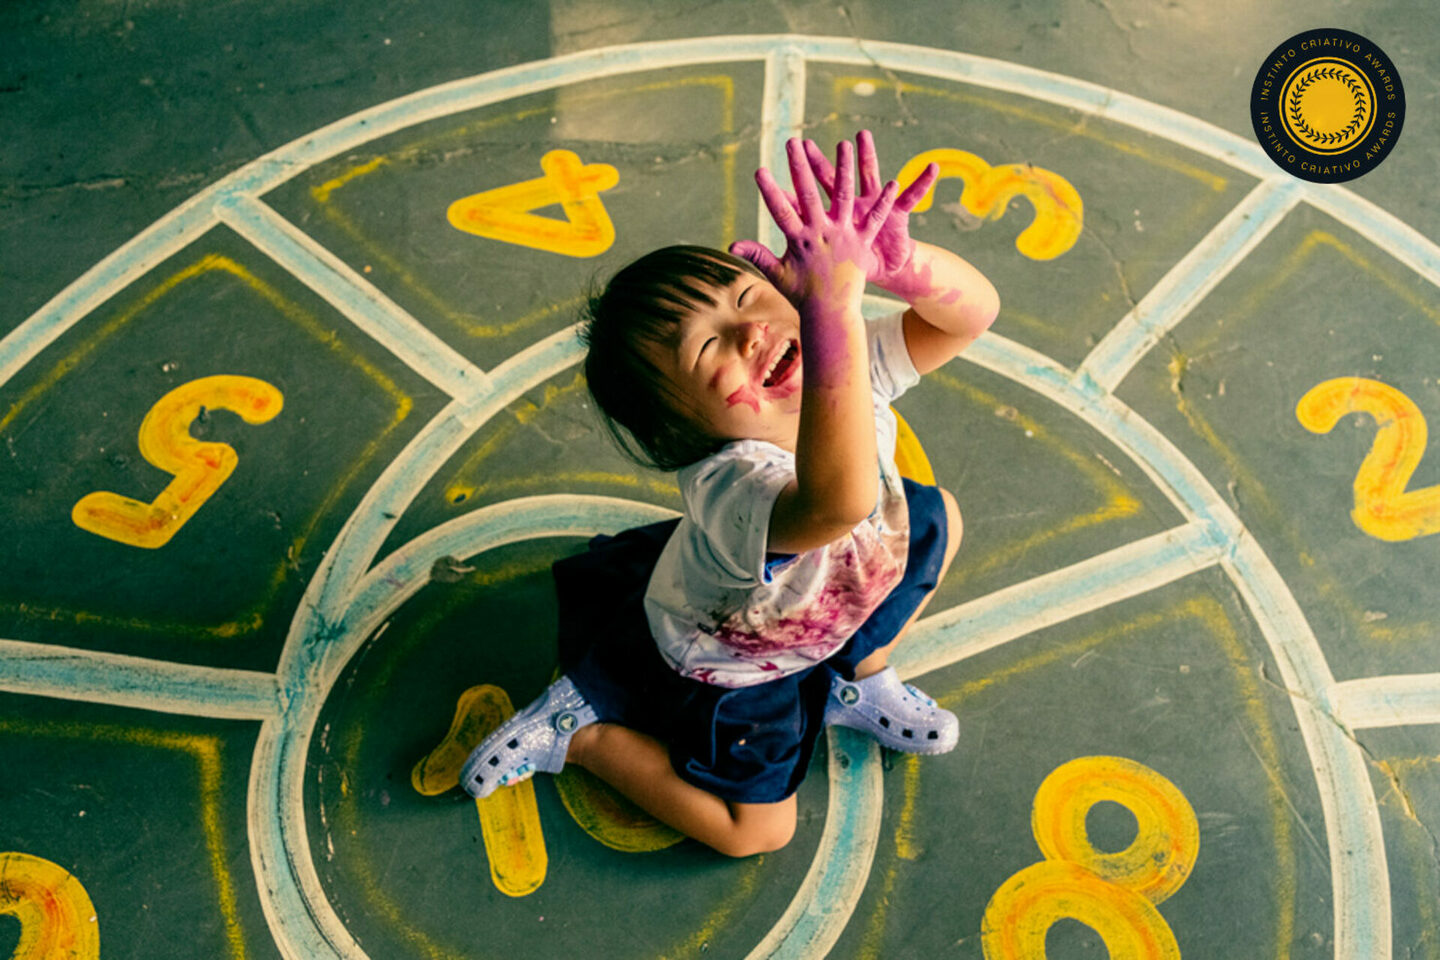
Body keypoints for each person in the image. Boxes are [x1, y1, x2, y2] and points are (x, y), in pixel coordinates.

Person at [459, 131, 1000, 857]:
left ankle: (851, 673)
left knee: (941, 520)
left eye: (749, 296)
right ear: (681, 430)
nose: (750, 330)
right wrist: (833, 314)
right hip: (740, 659)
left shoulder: (832, 354)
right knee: (757, 834)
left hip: (844, 589)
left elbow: (968, 316)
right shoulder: (729, 480)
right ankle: (581, 739)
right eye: (710, 348)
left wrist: (898, 268)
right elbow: (835, 503)